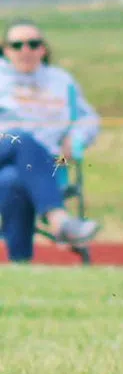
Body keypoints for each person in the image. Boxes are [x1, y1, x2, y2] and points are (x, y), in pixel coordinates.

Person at [0, 20, 99, 259]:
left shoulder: (61, 80)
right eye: (17, 45)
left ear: (43, 49)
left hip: (54, 161)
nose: (26, 50)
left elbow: (90, 119)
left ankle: (21, 264)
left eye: (33, 44)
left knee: (12, 181)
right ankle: (58, 218)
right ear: (6, 50)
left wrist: (76, 137)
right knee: (21, 139)